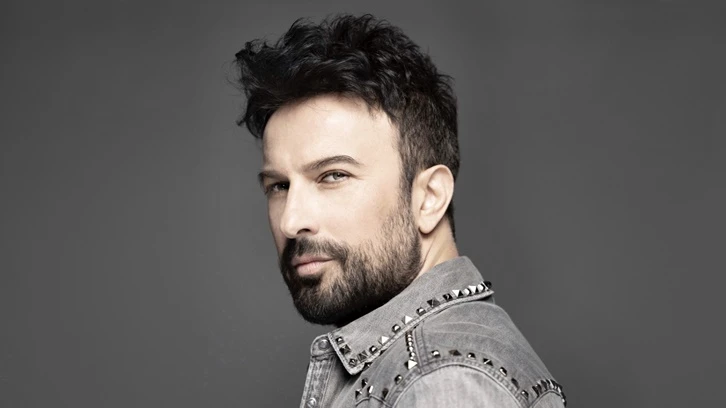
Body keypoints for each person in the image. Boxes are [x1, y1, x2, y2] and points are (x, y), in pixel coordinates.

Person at [233, 13, 566, 408]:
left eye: (333, 175)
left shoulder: (441, 384)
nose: (291, 221)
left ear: (429, 197)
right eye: (279, 186)